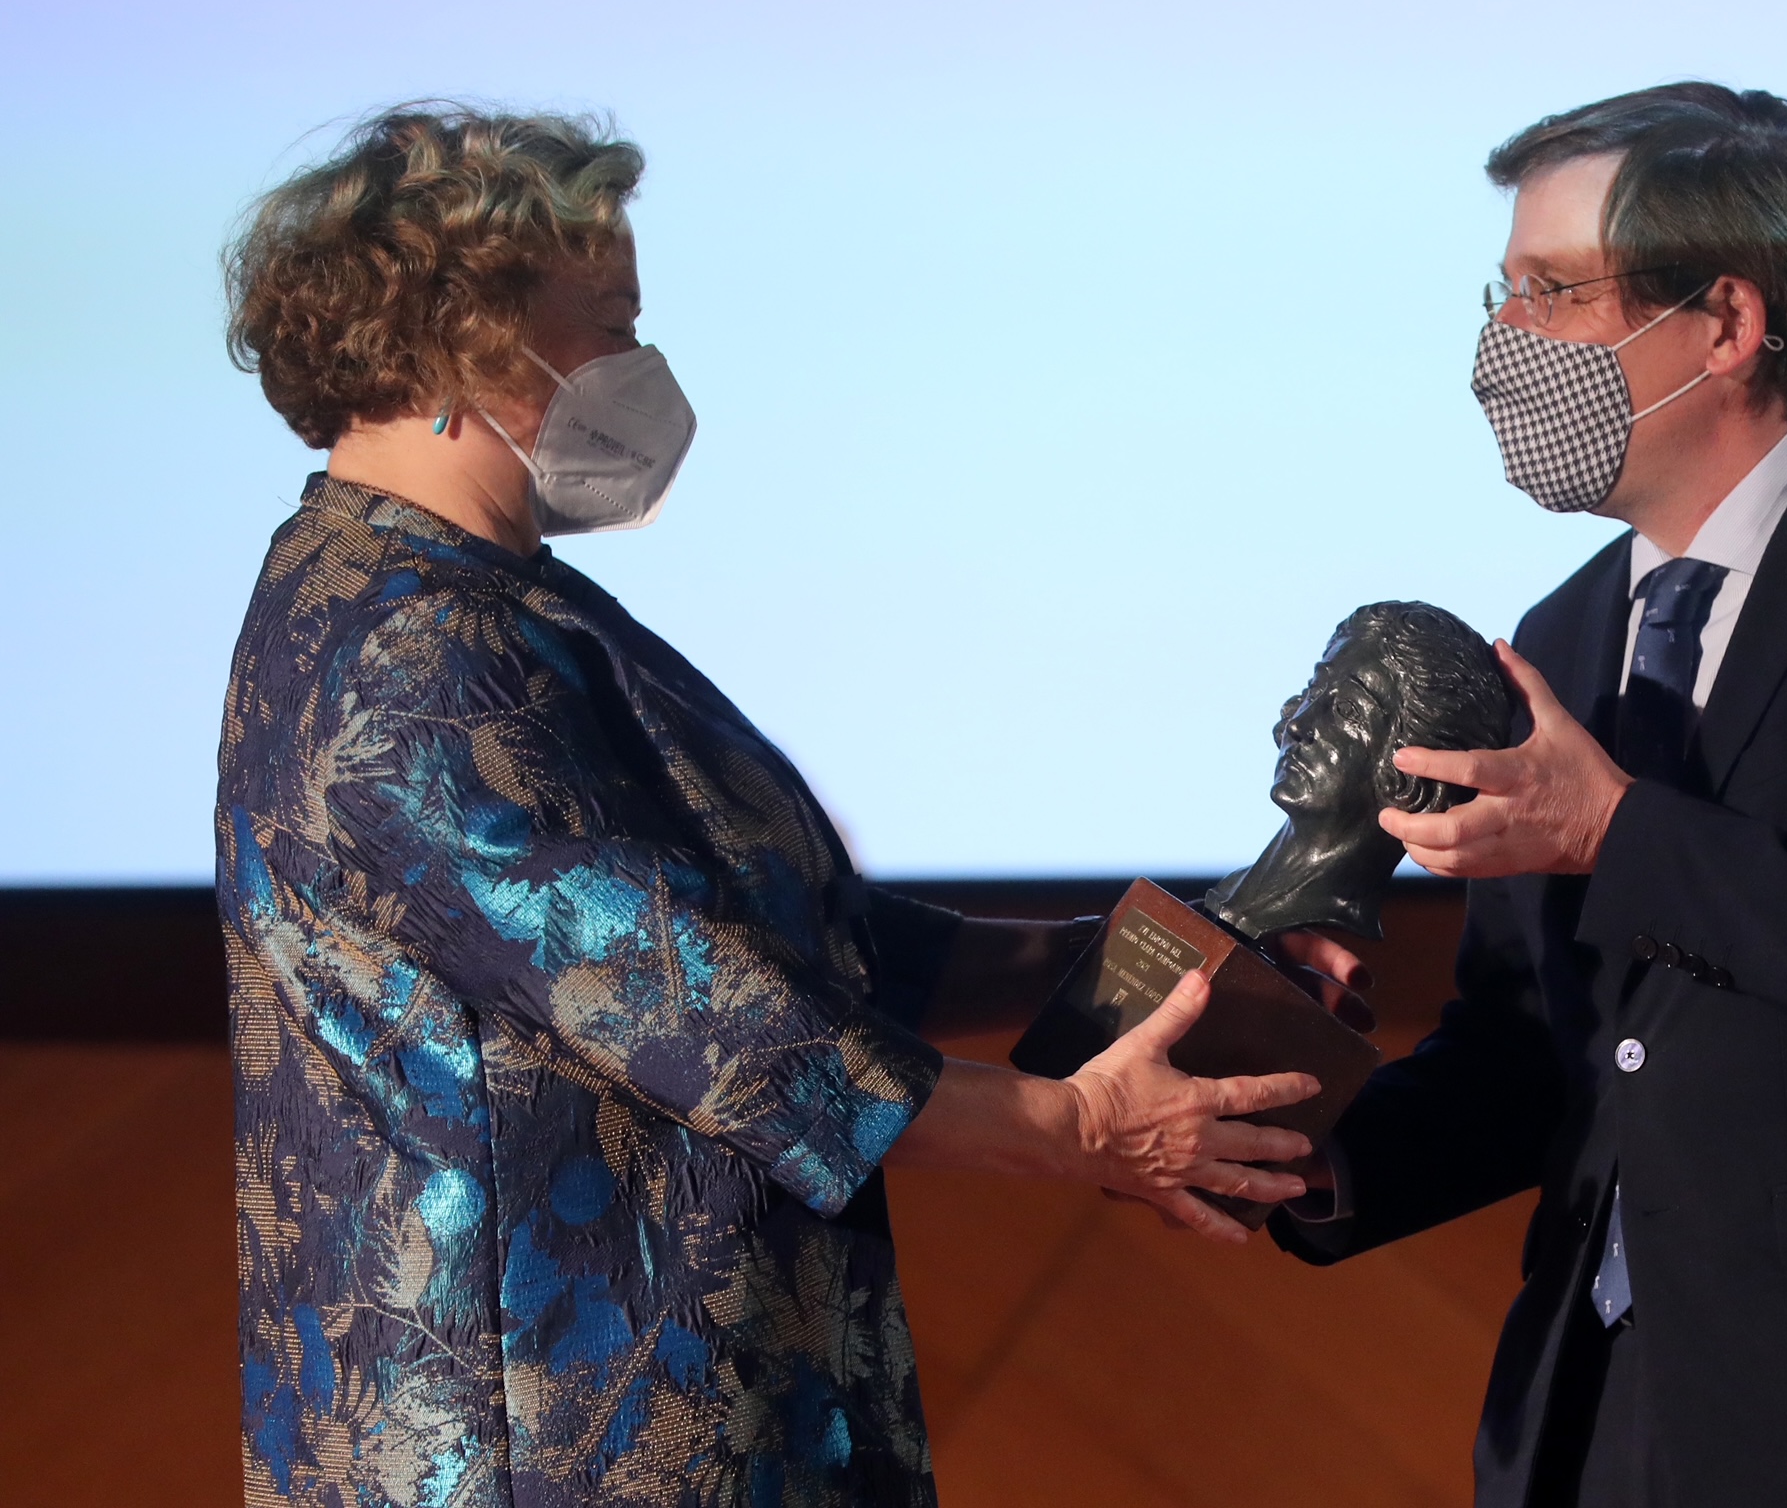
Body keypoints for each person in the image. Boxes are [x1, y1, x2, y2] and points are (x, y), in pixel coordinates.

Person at [215, 104, 1327, 1508]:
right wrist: (1076, 1131)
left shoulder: (474, 599)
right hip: (541, 1444)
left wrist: (1126, 955)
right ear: (465, 341)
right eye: (612, 324)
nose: (642, 367)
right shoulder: (411, 651)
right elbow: (691, 1002)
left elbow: (781, 929)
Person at [1271, 84, 1787, 1507]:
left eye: (1549, 292)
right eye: (1500, 292)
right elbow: (1538, 1056)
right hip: (1590, 1422)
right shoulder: (1568, 629)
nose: (1496, 349)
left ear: (1724, 323)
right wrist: (1299, 1157)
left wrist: (1611, 828)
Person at [1207, 600, 1515, 945]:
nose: (1299, 724)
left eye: (1346, 710)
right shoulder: (1233, 894)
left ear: (1408, 778)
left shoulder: (1341, 936)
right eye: (1314, 690)